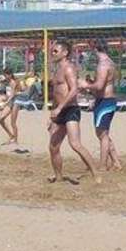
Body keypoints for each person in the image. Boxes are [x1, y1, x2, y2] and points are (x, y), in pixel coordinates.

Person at [46, 40, 100, 184]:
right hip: (59, 110)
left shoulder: (69, 68)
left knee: (75, 144)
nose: (52, 53)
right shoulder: (57, 69)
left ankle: (96, 173)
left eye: (55, 51)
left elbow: (74, 90)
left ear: (65, 53)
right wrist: (53, 113)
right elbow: (57, 93)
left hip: (70, 109)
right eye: (52, 51)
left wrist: (59, 108)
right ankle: (58, 177)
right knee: (53, 147)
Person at [79, 41, 122, 171]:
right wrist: (91, 84)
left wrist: (85, 85)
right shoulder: (110, 63)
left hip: (105, 101)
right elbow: (102, 85)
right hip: (105, 100)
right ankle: (116, 162)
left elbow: (99, 86)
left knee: (102, 134)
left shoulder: (103, 65)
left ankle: (103, 165)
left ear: (95, 49)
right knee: (103, 133)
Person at [0, 68, 22, 146]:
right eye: (4, 75)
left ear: (10, 75)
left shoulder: (13, 82)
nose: (5, 76)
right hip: (10, 102)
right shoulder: (6, 82)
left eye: (6, 75)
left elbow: (12, 95)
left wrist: (5, 104)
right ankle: (11, 135)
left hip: (15, 102)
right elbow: (4, 91)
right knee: (1, 120)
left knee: (13, 122)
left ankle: (15, 140)